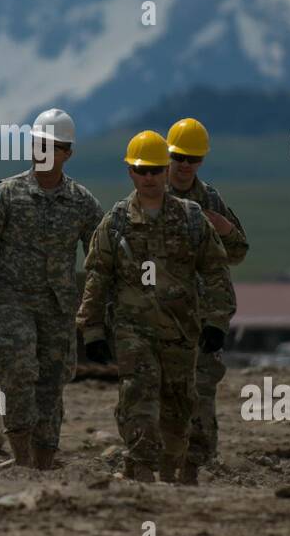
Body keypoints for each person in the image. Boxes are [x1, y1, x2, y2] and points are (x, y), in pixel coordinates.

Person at [76, 131, 229, 483]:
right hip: (134, 330)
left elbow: (215, 270)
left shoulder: (191, 219)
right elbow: (97, 275)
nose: (149, 177)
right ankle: (141, 467)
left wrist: (217, 321)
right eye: (141, 170)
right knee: (138, 396)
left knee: (178, 404)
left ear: (166, 170)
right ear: (130, 171)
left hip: (180, 329)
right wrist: (93, 328)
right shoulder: (115, 222)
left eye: (156, 170)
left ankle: (170, 470)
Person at [0, 109, 102, 468]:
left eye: (53, 147)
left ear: (67, 153)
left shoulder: (82, 203)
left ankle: (43, 460)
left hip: (58, 308)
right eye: (39, 144)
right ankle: (22, 456)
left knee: (52, 384)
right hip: (11, 301)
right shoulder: (4, 196)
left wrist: (97, 305)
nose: (44, 152)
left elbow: (100, 257)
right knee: (19, 374)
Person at [165, 117, 249, 483]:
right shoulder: (150, 190)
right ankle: (157, 468)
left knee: (200, 395)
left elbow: (238, 251)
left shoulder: (209, 198)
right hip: (160, 314)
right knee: (158, 393)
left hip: (201, 317)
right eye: (179, 157)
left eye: (192, 159)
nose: (184, 166)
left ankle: (191, 470)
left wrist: (224, 228)